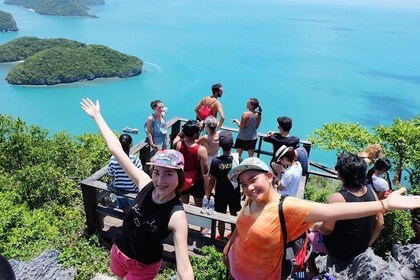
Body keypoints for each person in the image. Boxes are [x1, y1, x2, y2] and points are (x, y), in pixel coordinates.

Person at [222, 156, 420, 280]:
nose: (248, 188)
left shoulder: (288, 206)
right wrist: (228, 247)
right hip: (235, 268)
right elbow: (242, 225)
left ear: (270, 176)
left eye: (253, 180)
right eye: (243, 184)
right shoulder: (252, 200)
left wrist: (384, 205)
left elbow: (331, 211)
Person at [80, 98, 193, 280]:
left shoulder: (176, 215)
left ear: (179, 177)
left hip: (144, 265)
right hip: (119, 251)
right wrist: (97, 117)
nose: (160, 180)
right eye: (157, 172)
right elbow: (117, 150)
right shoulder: (145, 183)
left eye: (168, 174)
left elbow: (184, 266)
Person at [313, 152, 384, 273]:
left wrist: (315, 226)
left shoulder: (338, 198)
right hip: (361, 248)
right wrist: (368, 243)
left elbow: (327, 229)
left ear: (341, 174)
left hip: (340, 252)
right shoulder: (371, 192)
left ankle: (312, 271)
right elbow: (380, 222)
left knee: (307, 236)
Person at [207, 130, 242, 239]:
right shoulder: (239, 160)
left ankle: (221, 236)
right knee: (234, 215)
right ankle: (233, 237)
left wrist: (208, 193)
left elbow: (212, 180)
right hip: (235, 192)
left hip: (220, 193)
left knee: (220, 215)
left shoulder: (216, 161)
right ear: (233, 145)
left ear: (220, 145)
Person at [173, 120, 209, 208]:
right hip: (198, 180)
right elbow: (205, 171)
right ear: (195, 134)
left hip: (183, 178)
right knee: (198, 205)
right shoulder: (201, 150)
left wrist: (180, 134)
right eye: (199, 131)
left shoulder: (179, 145)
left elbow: (175, 142)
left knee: (184, 204)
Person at [108, 133, 142, 212]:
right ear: (130, 145)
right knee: (134, 211)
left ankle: (126, 221)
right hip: (133, 192)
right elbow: (140, 174)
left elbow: (110, 173)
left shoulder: (113, 159)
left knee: (125, 210)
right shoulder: (135, 159)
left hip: (119, 192)